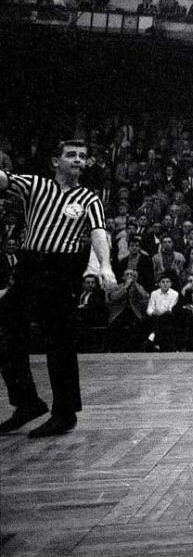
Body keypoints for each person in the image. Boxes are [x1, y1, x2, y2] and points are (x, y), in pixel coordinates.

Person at [0, 140, 114, 438]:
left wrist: (105, 265)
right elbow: (4, 179)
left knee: (59, 342)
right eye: (71, 155)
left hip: (61, 272)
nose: (78, 160)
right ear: (55, 161)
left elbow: (99, 232)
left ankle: (64, 413)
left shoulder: (90, 198)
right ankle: (26, 403)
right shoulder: (36, 186)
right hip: (29, 268)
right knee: (6, 329)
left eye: (83, 156)